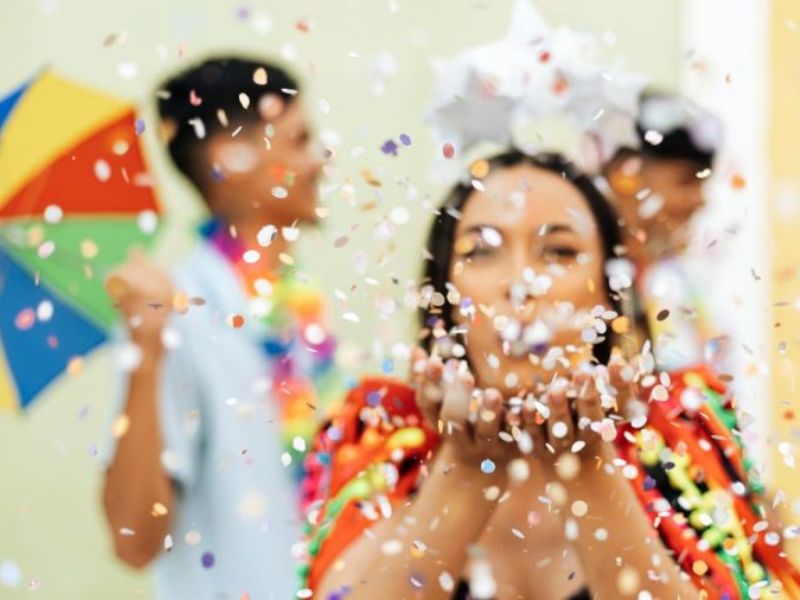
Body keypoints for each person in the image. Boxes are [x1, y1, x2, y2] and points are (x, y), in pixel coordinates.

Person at [299, 151, 800, 599]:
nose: (520, 283)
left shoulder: (682, 432)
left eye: (559, 252)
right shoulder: (381, 435)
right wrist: (470, 467)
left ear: (609, 293)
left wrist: (586, 465)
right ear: (444, 297)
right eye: (482, 250)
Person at [102, 56, 340, 600]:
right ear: (230, 157)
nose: (321, 159)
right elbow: (134, 542)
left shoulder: (303, 309)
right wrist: (146, 349)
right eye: (300, 140)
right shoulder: (175, 317)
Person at [601, 90, 724, 371]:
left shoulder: (675, 276)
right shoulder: (587, 278)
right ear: (626, 174)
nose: (701, 200)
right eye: (686, 181)